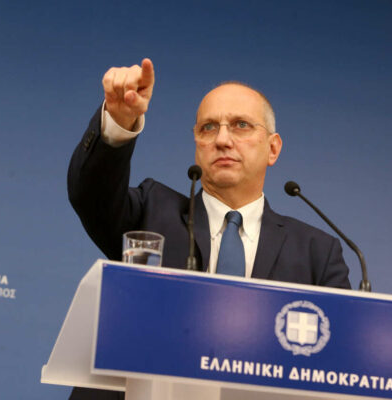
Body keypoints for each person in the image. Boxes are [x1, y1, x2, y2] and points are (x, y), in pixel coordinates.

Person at [67, 58, 351, 400]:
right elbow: (92, 196)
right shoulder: (151, 210)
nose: (222, 140)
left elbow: (344, 362)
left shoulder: (317, 253)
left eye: (241, 125)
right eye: (208, 128)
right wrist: (118, 122)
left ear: (273, 148)